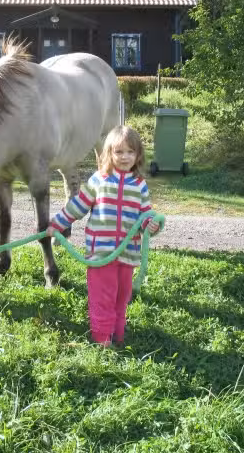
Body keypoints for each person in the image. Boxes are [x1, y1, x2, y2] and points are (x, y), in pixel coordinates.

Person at [46, 125, 160, 347]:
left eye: (130, 151)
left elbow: (145, 216)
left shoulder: (140, 186)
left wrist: (151, 225)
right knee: (102, 298)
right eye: (119, 152)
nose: (125, 156)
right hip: (101, 253)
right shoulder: (99, 180)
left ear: (138, 155)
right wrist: (57, 224)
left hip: (128, 253)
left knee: (121, 298)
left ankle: (118, 335)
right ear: (109, 153)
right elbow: (77, 206)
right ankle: (102, 338)